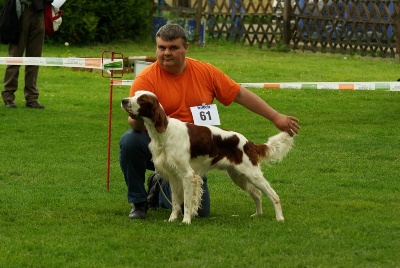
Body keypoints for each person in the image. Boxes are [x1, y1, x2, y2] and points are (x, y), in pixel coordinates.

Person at [119, 23, 300, 220]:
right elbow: (135, 121)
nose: (166, 53)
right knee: (129, 141)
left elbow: (239, 94)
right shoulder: (146, 79)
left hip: (198, 147)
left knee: (201, 212)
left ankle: (160, 182)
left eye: (173, 48)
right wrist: (138, 119)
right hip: (156, 143)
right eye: (161, 48)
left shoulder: (205, 72)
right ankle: (139, 202)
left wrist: (275, 116)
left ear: (186, 48)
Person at [1, 0, 53, 109]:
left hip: (39, 12)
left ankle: (32, 98)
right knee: (15, 58)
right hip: (21, 11)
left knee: (34, 59)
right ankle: (8, 96)